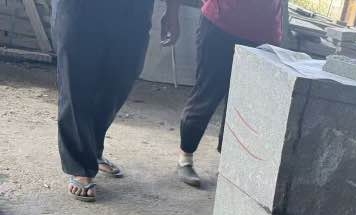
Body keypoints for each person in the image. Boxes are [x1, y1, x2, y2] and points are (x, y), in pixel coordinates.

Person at [162, 0, 284, 187]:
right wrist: (172, 12)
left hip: (263, 33)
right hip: (221, 24)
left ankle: (228, 163)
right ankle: (185, 157)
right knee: (207, 93)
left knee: (244, 105)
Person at [54, 0, 155, 202]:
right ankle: (81, 165)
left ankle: (92, 150)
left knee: (119, 81)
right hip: (80, 6)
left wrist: (172, 10)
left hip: (134, 8)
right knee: (77, 81)